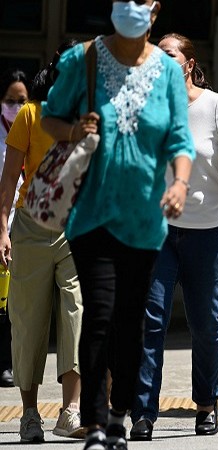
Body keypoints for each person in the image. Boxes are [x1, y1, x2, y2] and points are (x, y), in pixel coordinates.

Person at [40, 2, 195, 449]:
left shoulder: (167, 71)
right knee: (101, 316)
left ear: (155, 9)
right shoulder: (82, 59)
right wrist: (71, 130)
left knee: (133, 326)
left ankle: (119, 414)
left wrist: (181, 183)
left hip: (145, 222)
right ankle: (93, 423)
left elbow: (179, 138)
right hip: (92, 218)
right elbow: (49, 116)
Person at [129, 32, 218, 440]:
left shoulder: (216, 106)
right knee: (152, 320)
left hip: (209, 233)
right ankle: (144, 412)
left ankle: (206, 404)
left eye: (167, 55)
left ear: (187, 63)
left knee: (205, 323)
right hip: (159, 232)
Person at [0, 41, 88, 443]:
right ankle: (30, 414)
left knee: (76, 315)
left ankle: (70, 411)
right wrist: (2, 228)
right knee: (28, 322)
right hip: (32, 228)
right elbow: (8, 183)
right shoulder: (29, 115)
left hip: (78, 228)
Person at [0, 67, 28, 390]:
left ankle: (6, 364)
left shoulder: (32, 130)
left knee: (10, 303)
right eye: (10, 100)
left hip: (18, 226)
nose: (16, 107)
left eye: (22, 100)